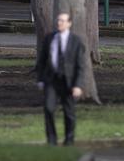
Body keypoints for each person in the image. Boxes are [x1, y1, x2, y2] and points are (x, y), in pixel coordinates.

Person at [36, 12, 86, 146]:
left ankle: (69, 140)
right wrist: (40, 79)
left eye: (63, 21)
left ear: (69, 23)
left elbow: (81, 66)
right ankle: (51, 140)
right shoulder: (49, 39)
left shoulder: (76, 41)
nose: (59, 23)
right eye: (58, 20)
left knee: (69, 112)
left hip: (68, 81)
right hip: (51, 80)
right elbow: (41, 61)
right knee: (48, 108)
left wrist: (78, 85)